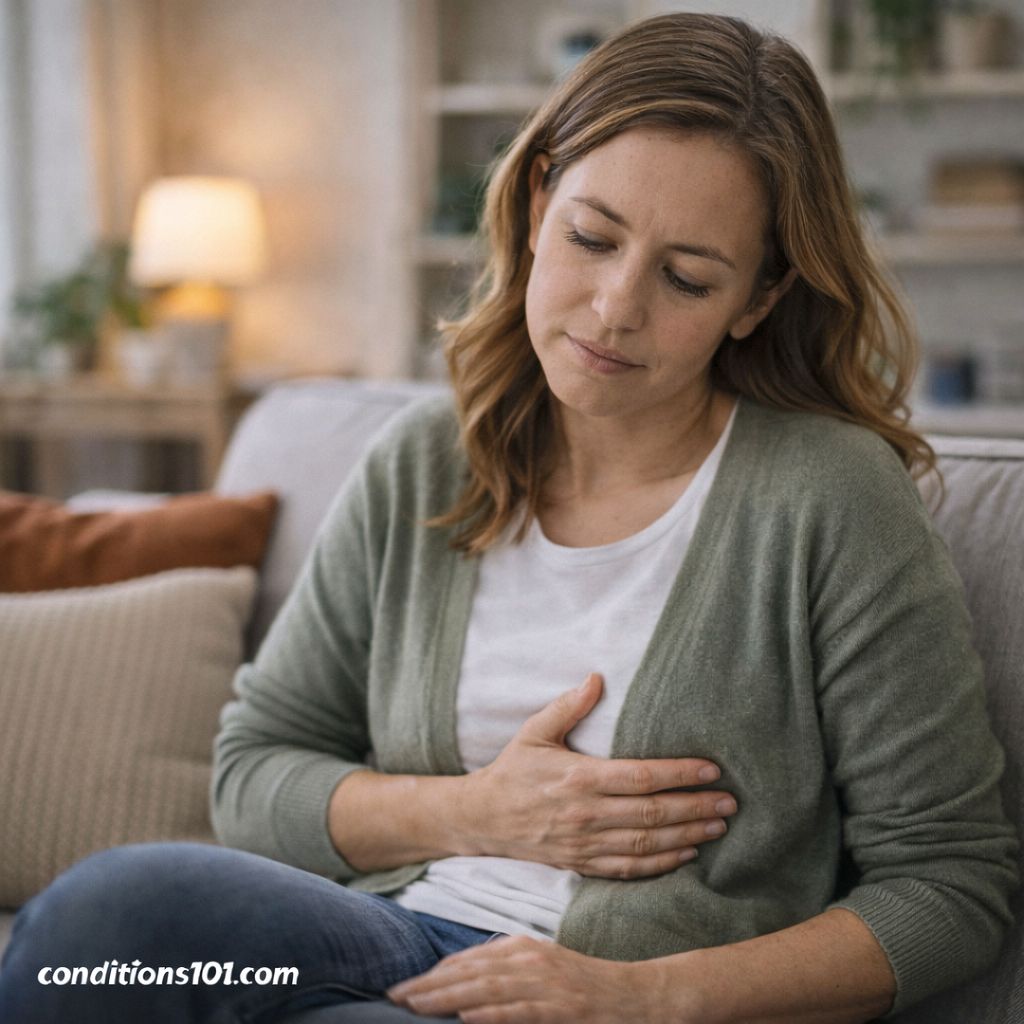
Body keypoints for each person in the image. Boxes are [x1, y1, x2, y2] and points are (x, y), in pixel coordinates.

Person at [0, 13, 1017, 1024]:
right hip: (393, 944)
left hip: (623, 998)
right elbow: (254, 776)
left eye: (685, 277)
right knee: (102, 927)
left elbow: (949, 886)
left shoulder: (828, 497)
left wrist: (640, 993)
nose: (616, 306)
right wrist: (477, 809)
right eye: (592, 237)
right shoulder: (422, 461)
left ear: (755, 299)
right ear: (537, 203)